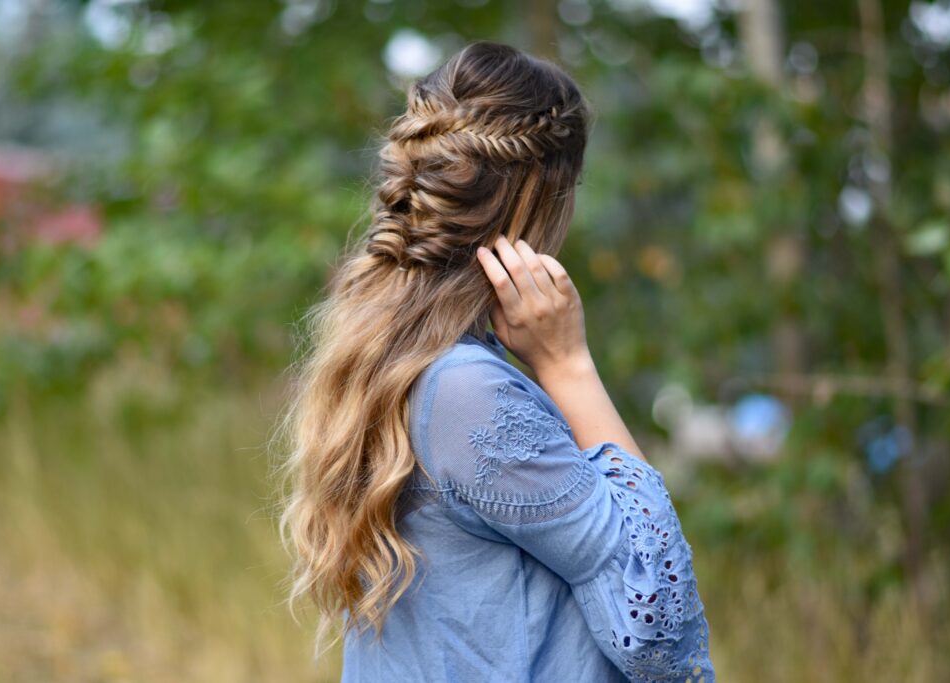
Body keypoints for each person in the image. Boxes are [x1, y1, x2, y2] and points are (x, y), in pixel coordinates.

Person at [272, 40, 715, 682]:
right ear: (540, 200)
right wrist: (568, 366)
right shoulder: (467, 393)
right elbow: (658, 628)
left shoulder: (404, 361)